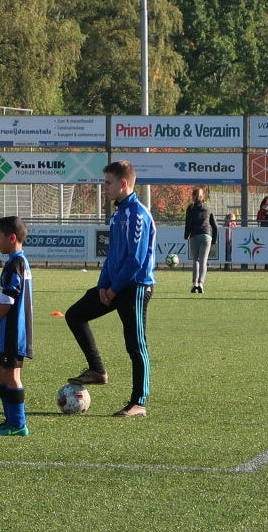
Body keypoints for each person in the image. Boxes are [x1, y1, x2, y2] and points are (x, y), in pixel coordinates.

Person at [64, 161, 156, 418]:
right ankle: (97, 370)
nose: (104, 187)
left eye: (108, 183)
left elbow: (135, 260)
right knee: (75, 315)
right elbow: (112, 256)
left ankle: (138, 402)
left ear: (123, 184)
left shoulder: (137, 214)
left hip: (135, 287)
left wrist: (113, 289)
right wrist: (103, 285)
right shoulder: (118, 214)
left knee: (136, 344)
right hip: (114, 287)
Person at [0, 216, 33, 436]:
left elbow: (8, 300)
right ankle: (10, 420)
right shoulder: (16, 261)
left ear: (12, 238)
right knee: (0, 373)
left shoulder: (16, 263)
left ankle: (18, 424)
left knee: (12, 376)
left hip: (14, 332)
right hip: (8, 331)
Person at [184, 187, 217, 294]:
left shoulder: (191, 208)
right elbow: (214, 226)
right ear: (203, 196)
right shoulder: (208, 208)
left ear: (193, 196)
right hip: (206, 235)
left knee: (196, 260)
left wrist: (186, 235)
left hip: (195, 235)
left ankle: (195, 284)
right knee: (203, 260)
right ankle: (201, 283)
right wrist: (214, 239)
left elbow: (188, 222)